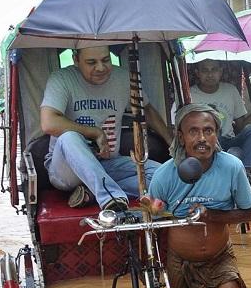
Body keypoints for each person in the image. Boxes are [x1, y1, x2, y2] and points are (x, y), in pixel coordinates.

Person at [147, 104, 251, 288]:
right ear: (181, 137)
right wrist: (153, 209)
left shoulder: (232, 167)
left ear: (217, 135)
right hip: (179, 262)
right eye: (193, 132)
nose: (202, 139)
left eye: (208, 131)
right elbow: (154, 217)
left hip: (220, 258)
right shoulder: (164, 175)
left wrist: (210, 215)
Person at [40, 45, 171, 210]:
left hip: (106, 164)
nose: (101, 68)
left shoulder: (123, 78)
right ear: (76, 60)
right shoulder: (62, 79)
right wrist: (94, 132)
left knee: (162, 176)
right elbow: (48, 123)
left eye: (105, 60)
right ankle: (111, 197)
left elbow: (147, 110)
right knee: (69, 137)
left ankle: (91, 193)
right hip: (66, 171)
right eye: (91, 62)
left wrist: (172, 141)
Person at [189, 59, 251, 177]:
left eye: (214, 69)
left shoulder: (230, 90)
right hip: (204, 142)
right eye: (205, 70)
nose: (210, 74)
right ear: (197, 73)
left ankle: (247, 174)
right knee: (234, 154)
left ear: (220, 72)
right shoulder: (189, 95)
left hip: (229, 140)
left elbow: (241, 126)